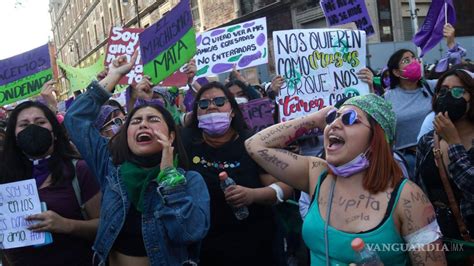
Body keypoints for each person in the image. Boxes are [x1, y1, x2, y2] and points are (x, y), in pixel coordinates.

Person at [245, 94, 446, 265]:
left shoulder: (408, 197)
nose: (334, 124)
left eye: (350, 119)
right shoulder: (316, 173)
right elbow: (255, 145)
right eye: (333, 118)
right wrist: (315, 119)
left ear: (377, 137)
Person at [64, 53, 210, 266]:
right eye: (136, 121)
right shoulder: (110, 166)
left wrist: (169, 179)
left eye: (153, 119)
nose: (143, 124)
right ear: (127, 134)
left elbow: (189, 233)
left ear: (170, 136)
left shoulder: (191, 181)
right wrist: (113, 76)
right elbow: (75, 119)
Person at [180, 81, 293, 265]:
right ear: (196, 112)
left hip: (257, 245)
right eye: (203, 103)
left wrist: (253, 195)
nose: (211, 107)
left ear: (232, 110)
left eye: (219, 101)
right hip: (207, 249)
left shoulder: (252, 143)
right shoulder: (185, 143)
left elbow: (285, 187)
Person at [0, 100, 101, 266]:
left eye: (40, 122)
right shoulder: (4, 177)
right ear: (14, 137)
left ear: (54, 132)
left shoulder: (79, 170)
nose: (32, 128)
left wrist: (67, 225)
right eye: (24, 125)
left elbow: (105, 226)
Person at [415, 69, 474, 262]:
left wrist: (454, 144)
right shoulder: (426, 141)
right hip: (441, 240)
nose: (449, 96)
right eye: (443, 91)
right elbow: (419, 190)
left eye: (459, 91)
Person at [384, 24, 457, 179]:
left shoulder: (432, 87)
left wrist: (451, 44)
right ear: (396, 72)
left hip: (438, 153)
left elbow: (459, 77)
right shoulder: (388, 97)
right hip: (407, 160)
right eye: (406, 60)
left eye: (414, 58)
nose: (414, 62)